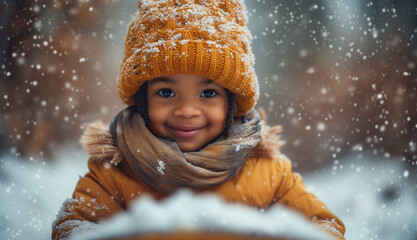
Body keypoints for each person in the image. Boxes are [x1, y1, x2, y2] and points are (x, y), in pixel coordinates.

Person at [52, 0, 346, 239]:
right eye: (166, 92)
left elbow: (325, 228)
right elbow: (72, 227)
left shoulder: (268, 174)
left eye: (207, 94)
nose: (187, 110)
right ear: (142, 101)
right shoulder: (116, 174)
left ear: (231, 105)